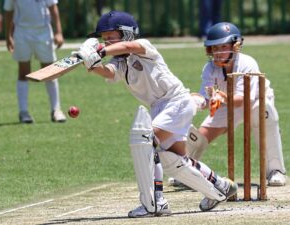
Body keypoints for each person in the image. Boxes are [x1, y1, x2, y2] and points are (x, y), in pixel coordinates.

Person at [72, 10, 238, 217]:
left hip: (175, 101)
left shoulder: (144, 46)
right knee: (174, 160)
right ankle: (221, 186)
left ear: (127, 34)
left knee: (145, 141)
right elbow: (108, 72)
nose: (105, 43)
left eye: (109, 38)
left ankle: (156, 201)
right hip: (161, 107)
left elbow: (127, 47)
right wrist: (91, 64)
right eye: (103, 39)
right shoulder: (120, 62)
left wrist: (100, 51)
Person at [185, 22, 287, 186]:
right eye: (215, 48)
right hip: (227, 103)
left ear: (236, 46)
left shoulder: (247, 63)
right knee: (199, 137)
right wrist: (196, 101)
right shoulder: (209, 68)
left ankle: (275, 171)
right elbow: (206, 98)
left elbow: (243, 100)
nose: (218, 52)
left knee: (265, 115)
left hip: (256, 101)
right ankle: (185, 170)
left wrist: (220, 97)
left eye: (223, 47)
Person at [4, 0, 66, 123]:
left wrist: (58, 32)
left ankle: (56, 110)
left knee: (50, 72)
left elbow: (53, 8)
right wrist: (8, 35)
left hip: (44, 32)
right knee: (23, 73)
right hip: (22, 32)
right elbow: (8, 11)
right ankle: (24, 112)